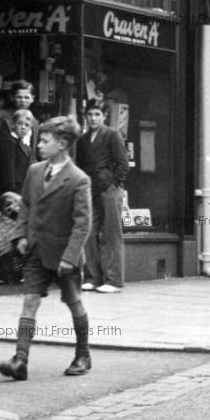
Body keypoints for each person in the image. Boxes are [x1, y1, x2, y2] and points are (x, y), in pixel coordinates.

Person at [0, 116, 92, 381]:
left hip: (64, 256)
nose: (39, 144)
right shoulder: (35, 171)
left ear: (62, 144)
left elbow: (82, 224)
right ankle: (20, 360)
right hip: (37, 252)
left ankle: (83, 355)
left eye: (45, 140)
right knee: (29, 301)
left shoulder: (78, 179)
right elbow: (26, 204)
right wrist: (21, 235)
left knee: (74, 303)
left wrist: (70, 257)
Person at [76, 99, 129, 293]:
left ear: (104, 116)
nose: (93, 118)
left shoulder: (112, 135)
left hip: (109, 190)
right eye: (90, 114)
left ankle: (114, 280)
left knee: (111, 234)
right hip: (90, 190)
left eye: (97, 114)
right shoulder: (82, 139)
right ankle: (93, 277)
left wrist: (113, 183)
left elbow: (123, 163)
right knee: (88, 232)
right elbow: (81, 166)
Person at [0, 109, 34, 199]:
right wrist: (11, 191)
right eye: (20, 123)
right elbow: (8, 168)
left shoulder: (23, 143)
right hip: (13, 187)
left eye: (27, 125)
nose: (23, 127)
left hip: (22, 185)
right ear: (13, 125)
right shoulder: (9, 142)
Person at [0, 79, 39, 148]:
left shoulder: (33, 121)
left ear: (32, 99)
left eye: (27, 97)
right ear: (12, 98)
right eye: (19, 97)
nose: (23, 101)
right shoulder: (2, 117)